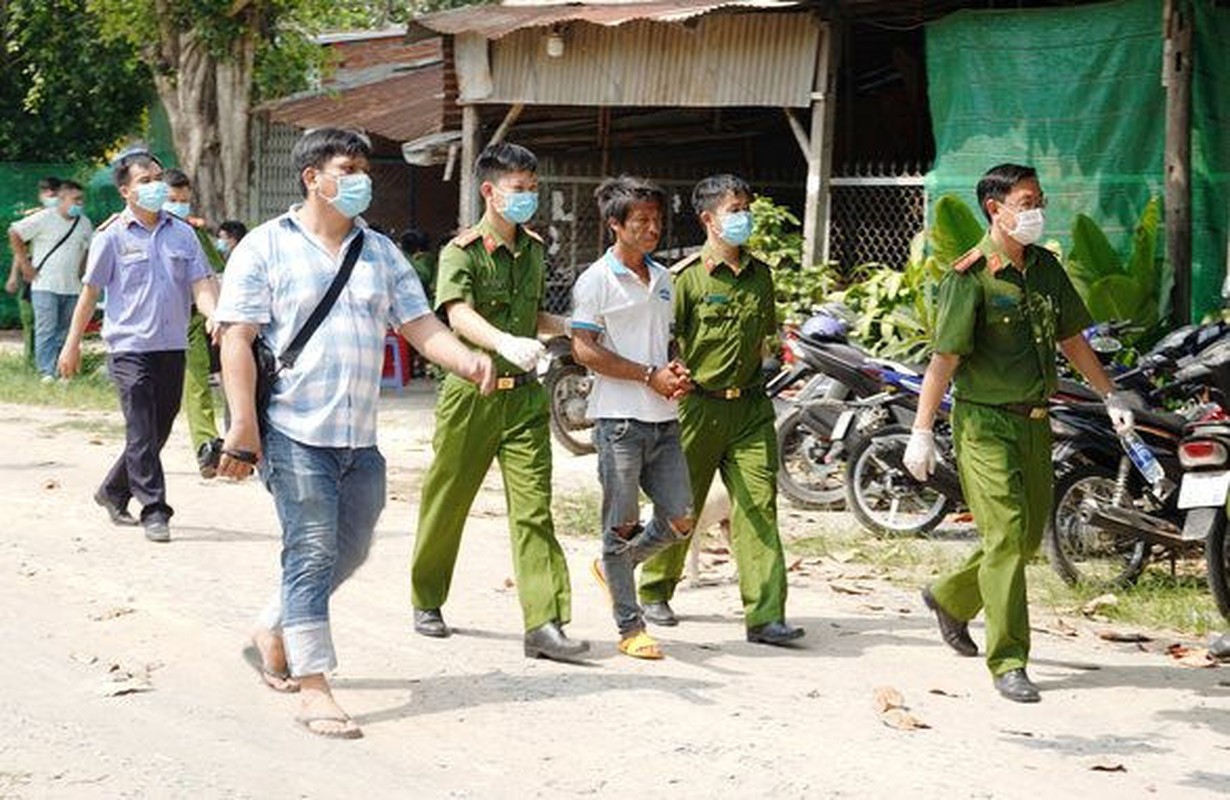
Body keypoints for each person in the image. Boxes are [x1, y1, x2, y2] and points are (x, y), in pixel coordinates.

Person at [214, 127, 493, 740]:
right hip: (291, 429)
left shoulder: (381, 252)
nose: (362, 178)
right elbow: (236, 337)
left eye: (365, 168)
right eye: (349, 167)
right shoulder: (263, 248)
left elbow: (419, 324)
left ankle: (274, 626)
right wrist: (243, 425)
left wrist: (467, 359)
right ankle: (315, 686)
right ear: (313, 177)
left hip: (358, 437)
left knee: (353, 547)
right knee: (311, 551)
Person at [903, 163, 1136, 703]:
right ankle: (1008, 660)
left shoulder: (1046, 269)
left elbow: (1072, 338)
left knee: (1028, 536)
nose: (1037, 210)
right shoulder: (971, 276)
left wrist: (1109, 394)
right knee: (1006, 534)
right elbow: (944, 360)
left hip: (1035, 421)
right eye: (1027, 201)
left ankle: (949, 597)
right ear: (996, 208)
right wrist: (921, 431)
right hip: (983, 423)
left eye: (1039, 200)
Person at [410, 142, 587, 662]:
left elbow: (528, 317)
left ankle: (544, 622)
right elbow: (457, 313)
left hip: (525, 402)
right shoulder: (459, 251)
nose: (528, 197)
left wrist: (569, 328)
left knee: (534, 512)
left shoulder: (532, 249)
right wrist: (501, 343)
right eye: (519, 189)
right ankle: (427, 598)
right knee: (448, 502)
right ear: (490, 190)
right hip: (472, 396)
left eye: (534, 189)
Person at [637, 174, 805, 647]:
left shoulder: (762, 275)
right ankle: (654, 587)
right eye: (735, 210)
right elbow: (663, 340)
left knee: (758, 506)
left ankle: (766, 615)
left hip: (750, 408)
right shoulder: (684, 279)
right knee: (680, 503)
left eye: (746, 207)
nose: (744, 217)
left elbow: (763, 340)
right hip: (697, 408)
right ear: (708, 219)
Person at [58, 149, 219, 543]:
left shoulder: (183, 234)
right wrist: (72, 344)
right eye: (146, 181)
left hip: (171, 345)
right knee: (142, 428)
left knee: (157, 428)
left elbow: (200, 282)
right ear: (126, 191)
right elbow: (90, 292)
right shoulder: (111, 237)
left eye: (158, 178)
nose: (156, 186)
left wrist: (214, 313)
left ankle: (112, 490)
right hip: (128, 347)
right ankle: (154, 509)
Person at [570, 176, 695, 660]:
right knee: (622, 524)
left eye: (656, 220)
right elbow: (584, 350)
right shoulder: (595, 281)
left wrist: (673, 368)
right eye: (640, 221)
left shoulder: (664, 279)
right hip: (618, 422)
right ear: (614, 225)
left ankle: (613, 566)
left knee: (681, 518)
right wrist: (648, 375)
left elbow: (662, 344)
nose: (651, 229)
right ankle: (630, 626)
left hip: (664, 418)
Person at [161, 169, 229, 476]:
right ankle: (140, 449)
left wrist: (217, 315)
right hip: (150, 326)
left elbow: (214, 274)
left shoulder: (194, 233)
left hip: (192, 318)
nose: (179, 206)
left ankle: (206, 445)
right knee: (152, 394)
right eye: (172, 200)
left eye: (184, 201)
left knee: (198, 382)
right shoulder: (130, 231)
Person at [8, 179, 93, 380]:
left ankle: (63, 371)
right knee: (46, 330)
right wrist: (24, 265)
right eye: (75, 200)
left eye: (81, 200)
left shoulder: (84, 223)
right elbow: (15, 232)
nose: (79, 204)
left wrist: (83, 272)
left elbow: (88, 248)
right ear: (62, 199)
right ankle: (46, 372)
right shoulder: (44, 218)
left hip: (73, 287)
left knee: (65, 332)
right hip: (44, 285)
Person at [6, 177, 61, 369]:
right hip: (34, 275)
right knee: (31, 321)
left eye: (54, 193)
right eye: (46, 193)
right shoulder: (35, 218)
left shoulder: (70, 219)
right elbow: (19, 249)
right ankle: (32, 364)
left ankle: (56, 364)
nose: (50, 196)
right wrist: (14, 276)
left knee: (57, 325)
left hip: (60, 277)